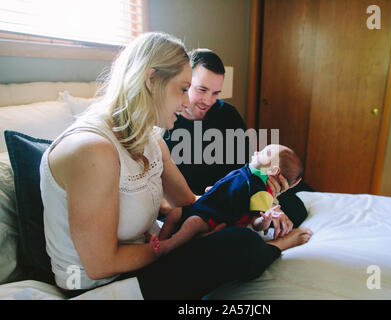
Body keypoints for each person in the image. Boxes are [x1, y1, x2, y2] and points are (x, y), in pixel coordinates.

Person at [40, 32, 307, 299]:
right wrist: (172, 246)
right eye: (183, 89)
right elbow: (100, 265)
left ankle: (267, 237)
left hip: (147, 251)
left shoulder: (151, 140)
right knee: (240, 244)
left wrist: (259, 197)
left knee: (273, 215)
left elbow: (188, 199)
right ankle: (276, 246)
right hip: (101, 284)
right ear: (152, 79)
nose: (187, 102)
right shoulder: (92, 150)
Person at [163, 48, 315, 235]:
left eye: (216, 93)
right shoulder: (168, 121)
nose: (208, 101)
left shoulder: (227, 113)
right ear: (187, 83)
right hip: (201, 201)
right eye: (202, 90)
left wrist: (270, 197)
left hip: (239, 193)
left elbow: (250, 165)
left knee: (296, 208)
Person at [152, 144, 313, 256]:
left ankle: (168, 247)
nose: (257, 151)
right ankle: (161, 241)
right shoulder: (249, 171)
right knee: (174, 214)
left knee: (192, 224)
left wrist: (265, 218)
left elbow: (256, 222)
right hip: (204, 204)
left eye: (266, 152)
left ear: (273, 169)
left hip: (213, 216)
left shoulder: (262, 191)